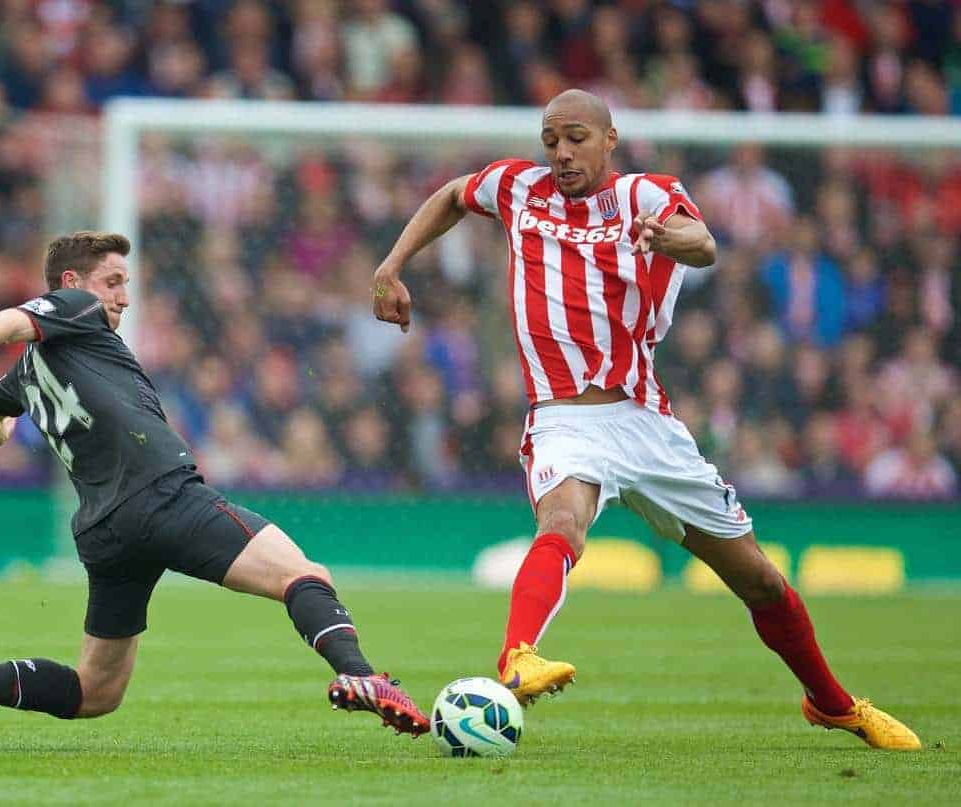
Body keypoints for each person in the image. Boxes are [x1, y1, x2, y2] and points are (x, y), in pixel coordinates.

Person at [369, 90, 920, 750]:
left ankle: (832, 703)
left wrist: (667, 237)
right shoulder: (518, 187)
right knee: (562, 522)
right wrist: (392, 264)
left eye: (575, 137)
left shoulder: (647, 196)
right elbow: (454, 194)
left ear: (610, 139)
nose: (561, 152)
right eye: (550, 140)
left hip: (646, 422)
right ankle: (517, 655)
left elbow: (705, 242)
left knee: (760, 580)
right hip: (563, 418)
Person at [0, 231, 429, 736]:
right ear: (72, 285)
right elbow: (4, 323)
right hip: (161, 494)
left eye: (124, 284)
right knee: (304, 574)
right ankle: (359, 675)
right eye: (112, 282)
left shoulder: (25, 373)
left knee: (95, 693)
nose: (122, 296)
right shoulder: (79, 307)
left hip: (104, 530)